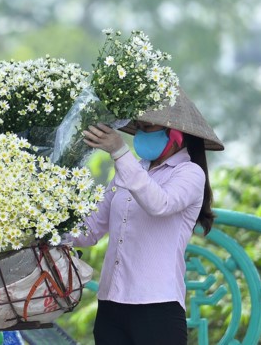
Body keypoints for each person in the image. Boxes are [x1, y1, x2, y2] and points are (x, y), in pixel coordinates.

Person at [66, 89, 224, 345]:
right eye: (137, 127)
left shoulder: (190, 173)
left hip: (157, 307)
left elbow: (159, 203)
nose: (139, 135)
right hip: (111, 304)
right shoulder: (130, 171)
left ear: (176, 133)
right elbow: (89, 229)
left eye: (147, 127)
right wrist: (44, 224)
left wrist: (119, 151)